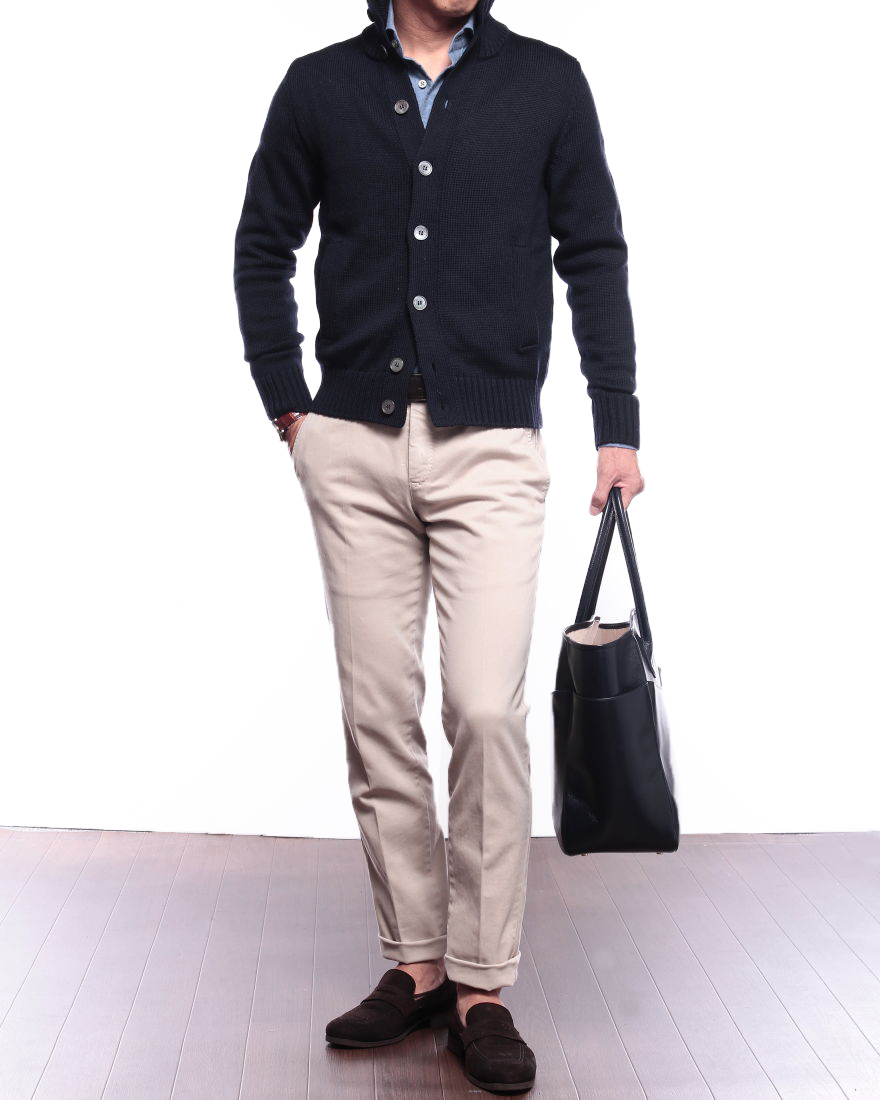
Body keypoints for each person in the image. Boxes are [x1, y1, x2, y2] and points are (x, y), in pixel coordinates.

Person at [233, 0, 644, 1091]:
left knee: (483, 710)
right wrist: (290, 406)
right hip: (351, 447)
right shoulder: (319, 84)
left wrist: (617, 424)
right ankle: (415, 961)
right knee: (378, 710)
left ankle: (481, 982)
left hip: (492, 447)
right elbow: (262, 244)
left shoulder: (545, 81)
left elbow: (593, 252)